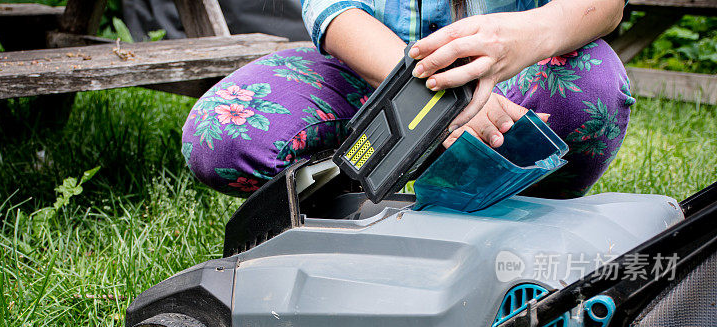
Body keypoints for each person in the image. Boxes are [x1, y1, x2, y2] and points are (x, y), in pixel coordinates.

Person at [181, 0, 634, 199]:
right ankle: (353, 216)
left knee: (592, 91)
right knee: (223, 136)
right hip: (366, 76)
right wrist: (443, 96)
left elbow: (606, 4)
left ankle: (523, 216)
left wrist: (526, 37)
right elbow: (333, 9)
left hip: (514, 78)